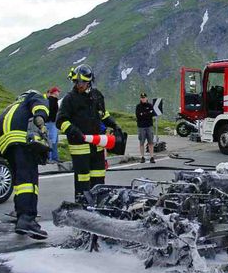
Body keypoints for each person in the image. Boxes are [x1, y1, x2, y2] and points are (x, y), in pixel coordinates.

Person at [56, 64, 122, 202]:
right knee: (82, 178)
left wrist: (114, 124)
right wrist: (74, 131)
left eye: (83, 82)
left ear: (89, 82)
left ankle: (100, 204)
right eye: (77, 82)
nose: (80, 85)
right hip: (80, 147)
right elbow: (60, 121)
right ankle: (82, 206)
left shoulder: (97, 95)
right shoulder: (70, 99)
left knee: (98, 177)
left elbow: (103, 114)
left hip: (97, 145)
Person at [0, 90, 50, 239]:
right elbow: (40, 106)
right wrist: (41, 120)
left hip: (4, 143)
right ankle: (27, 219)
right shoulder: (33, 97)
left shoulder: (11, 107)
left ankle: (20, 215)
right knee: (29, 180)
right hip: (21, 139)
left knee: (19, 182)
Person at [136, 92, 155, 163]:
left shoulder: (150, 105)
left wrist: (143, 114)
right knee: (141, 142)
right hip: (141, 127)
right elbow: (138, 116)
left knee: (151, 142)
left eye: (144, 98)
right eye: (142, 98)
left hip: (149, 126)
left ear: (146, 98)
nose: (143, 99)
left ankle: (152, 157)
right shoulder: (138, 106)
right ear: (140, 98)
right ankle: (142, 157)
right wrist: (147, 113)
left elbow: (152, 114)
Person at [46, 86, 61, 163]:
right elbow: (52, 112)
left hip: (51, 122)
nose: (59, 93)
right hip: (52, 122)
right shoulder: (52, 101)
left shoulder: (50, 100)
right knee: (52, 140)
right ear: (55, 92)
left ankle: (53, 157)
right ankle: (52, 158)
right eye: (58, 92)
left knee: (53, 140)